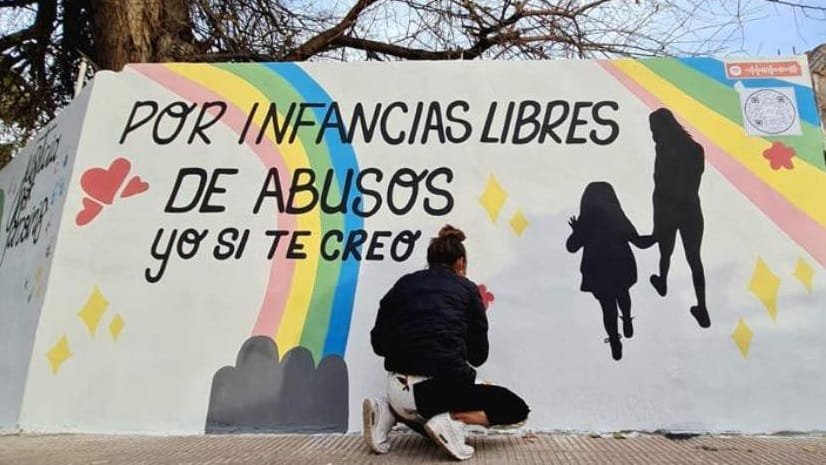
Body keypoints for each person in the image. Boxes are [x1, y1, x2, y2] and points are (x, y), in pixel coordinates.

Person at [363, 225, 530, 460]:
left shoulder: (402, 285)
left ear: (430, 260)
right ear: (460, 263)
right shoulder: (468, 290)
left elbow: (378, 345)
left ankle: (387, 411)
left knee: (428, 404)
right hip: (436, 394)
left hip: (396, 388)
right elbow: (478, 356)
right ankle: (451, 420)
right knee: (516, 408)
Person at [566, 182, 653, 360]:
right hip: (620, 267)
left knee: (608, 308)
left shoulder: (587, 221)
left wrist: (577, 231)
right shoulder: (616, 217)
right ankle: (626, 319)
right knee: (623, 295)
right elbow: (637, 241)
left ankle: (614, 339)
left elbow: (571, 247)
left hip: (597, 272)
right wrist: (658, 236)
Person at [647, 108, 710, 328]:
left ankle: (662, 281)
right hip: (691, 209)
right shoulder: (696, 149)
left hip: (668, 210)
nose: (653, 134)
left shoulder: (664, 150)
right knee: (694, 260)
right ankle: (702, 307)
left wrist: (657, 225)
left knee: (665, 251)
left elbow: (660, 186)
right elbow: (695, 179)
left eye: (653, 129)